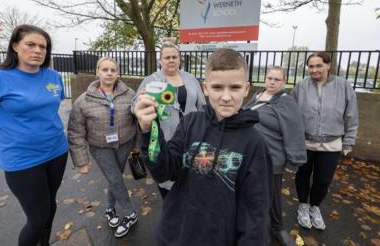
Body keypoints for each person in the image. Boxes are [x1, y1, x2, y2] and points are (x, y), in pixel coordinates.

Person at [134, 48, 272, 245]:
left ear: (246, 89)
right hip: (175, 233)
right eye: (217, 87)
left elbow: (255, 213)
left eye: (234, 87)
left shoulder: (254, 144)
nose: (226, 97)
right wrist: (148, 131)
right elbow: (164, 171)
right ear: (205, 88)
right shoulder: (191, 122)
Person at [0, 24, 68, 246]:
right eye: (30, 44)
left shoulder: (53, 76)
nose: (38, 50)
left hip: (57, 152)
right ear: (15, 46)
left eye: (43, 46)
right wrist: (5, 149)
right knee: (38, 217)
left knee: (50, 206)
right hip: (22, 161)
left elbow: (49, 111)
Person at [67, 57, 138, 238]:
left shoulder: (130, 94)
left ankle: (109, 209)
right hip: (100, 146)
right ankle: (130, 213)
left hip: (125, 143)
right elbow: (75, 131)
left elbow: (137, 120)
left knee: (115, 179)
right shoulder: (84, 100)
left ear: (118, 73)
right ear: (97, 72)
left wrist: (137, 146)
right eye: (105, 69)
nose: (109, 73)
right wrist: (81, 161)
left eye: (113, 70)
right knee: (114, 177)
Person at [291, 51, 359, 230]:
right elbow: (291, 115)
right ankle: (303, 206)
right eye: (311, 66)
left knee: (323, 180)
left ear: (328, 65)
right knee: (302, 176)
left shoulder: (343, 86)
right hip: (304, 142)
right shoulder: (301, 86)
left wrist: (349, 141)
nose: (314, 70)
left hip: (331, 144)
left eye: (319, 65)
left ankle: (315, 207)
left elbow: (351, 115)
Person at [131, 38, 206, 198]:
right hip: (166, 136)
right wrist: (142, 105)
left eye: (174, 57)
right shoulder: (151, 80)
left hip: (192, 137)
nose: (171, 60)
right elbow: (135, 105)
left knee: (192, 175)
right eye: (167, 57)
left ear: (180, 59)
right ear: (160, 60)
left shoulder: (191, 79)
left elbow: (202, 105)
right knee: (169, 184)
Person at [243, 66, 306, 246]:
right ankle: (253, 224)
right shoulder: (258, 95)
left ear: (284, 81)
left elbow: (295, 131)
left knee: (272, 195)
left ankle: (278, 228)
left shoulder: (286, 102)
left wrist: (295, 160)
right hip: (250, 155)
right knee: (251, 191)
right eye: (269, 78)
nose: (271, 82)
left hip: (271, 157)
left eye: (276, 79)